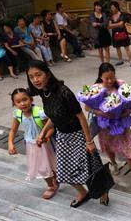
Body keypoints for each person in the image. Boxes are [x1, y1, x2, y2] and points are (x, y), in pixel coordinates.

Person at [26, 60, 100, 208]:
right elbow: (54, 115)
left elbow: (80, 116)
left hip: (77, 134)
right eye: (31, 76)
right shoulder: (43, 92)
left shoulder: (63, 91)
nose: (35, 80)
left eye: (38, 75)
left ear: (47, 74)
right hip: (62, 136)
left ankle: (102, 190)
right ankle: (83, 192)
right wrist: (43, 133)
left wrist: (89, 141)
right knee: (64, 171)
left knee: (89, 167)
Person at [88, 63, 131, 189]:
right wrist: (102, 113)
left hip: (121, 124)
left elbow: (130, 100)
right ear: (101, 77)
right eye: (106, 78)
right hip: (105, 127)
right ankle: (114, 164)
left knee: (129, 149)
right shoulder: (96, 89)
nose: (110, 81)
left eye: (112, 77)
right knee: (108, 147)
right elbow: (87, 107)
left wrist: (128, 111)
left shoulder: (121, 84)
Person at [8, 88, 58, 199]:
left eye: (25, 99)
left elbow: (50, 128)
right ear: (14, 104)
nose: (22, 103)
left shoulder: (39, 112)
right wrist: (10, 143)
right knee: (41, 167)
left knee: (51, 163)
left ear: (31, 99)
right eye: (18, 101)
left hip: (45, 144)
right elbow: (13, 130)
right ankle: (51, 186)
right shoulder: (17, 114)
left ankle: (55, 179)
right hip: (31, 145)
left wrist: (46, 137)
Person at [109, 1, 131, 68]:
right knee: (117, 47)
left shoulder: (122, 14)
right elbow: (109, 26)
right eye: (111, 7)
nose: (112, 9)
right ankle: (120, 60)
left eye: (113, 7)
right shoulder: (111, 16)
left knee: (127, 47)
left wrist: (113, 25)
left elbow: (121, 24)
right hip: (115, 34)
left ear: (117, 7)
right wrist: (117, 25)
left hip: (123, 32)